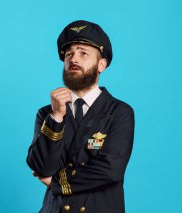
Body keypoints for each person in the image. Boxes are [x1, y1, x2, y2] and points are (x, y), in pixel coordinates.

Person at [26, 20, 135, 213]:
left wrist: (57, 181)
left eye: (83, 53)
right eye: (69, 54)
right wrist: (57, 116)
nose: (73, 59)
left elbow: (110, 170)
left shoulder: (119, 112)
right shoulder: (47, 113)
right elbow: (42, 167)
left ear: (101, 64)